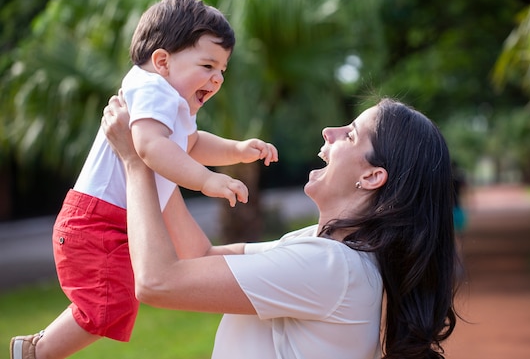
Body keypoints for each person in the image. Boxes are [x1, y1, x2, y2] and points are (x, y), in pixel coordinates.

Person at [10, 0, 278, 359]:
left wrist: (235, 149)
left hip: (111, 220)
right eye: (207, 65)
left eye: (222, 71)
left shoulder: (172, 100)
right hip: (95, 221)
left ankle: (34, 350)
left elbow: (191, 142)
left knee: (112, 305)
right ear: (163, 61)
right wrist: (206, 181)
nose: (216, 79)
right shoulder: (152, 89)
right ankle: (35, 353)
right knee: (109, 306)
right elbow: (150, 147)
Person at [100, 94, 458, 359]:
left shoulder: (331, 267)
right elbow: (199, 256)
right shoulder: (319, 248)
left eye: (349, 135)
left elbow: (158, 282)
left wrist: (136, 162)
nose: (329, 132)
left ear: (372, 176)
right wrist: (158, 153)